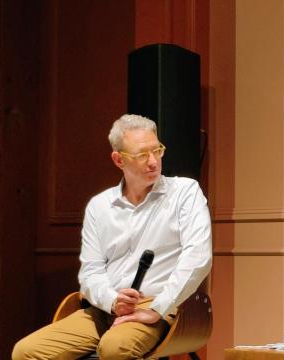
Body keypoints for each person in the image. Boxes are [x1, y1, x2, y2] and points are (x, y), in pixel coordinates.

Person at [13, 114, 212, 359]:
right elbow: (90, 272)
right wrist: (112, 300)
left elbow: (198, 257)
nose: (153, 162)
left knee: (114, 348)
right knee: (26, 352)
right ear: (119, 159)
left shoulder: (185, 192)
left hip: (158, 307)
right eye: (142, 155)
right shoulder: (100, 206)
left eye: (157, 150)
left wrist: (158, 309)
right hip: (106, 308)